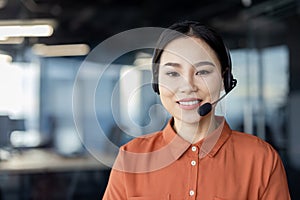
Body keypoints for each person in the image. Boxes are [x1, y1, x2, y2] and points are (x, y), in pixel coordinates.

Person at [102, 20, 290, 199]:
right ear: (157, 82)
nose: (187, 86)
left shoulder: (260, 159)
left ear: (225, 79)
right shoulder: (131, 158)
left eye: (202, 72)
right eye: (172, 73)